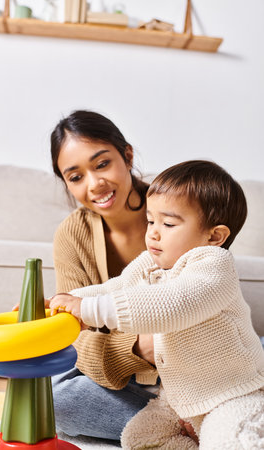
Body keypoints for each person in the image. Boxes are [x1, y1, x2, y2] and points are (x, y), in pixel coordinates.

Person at [50, 160, 264, 449]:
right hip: (178, 396)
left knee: (230, 440)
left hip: (230, 392)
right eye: (151, 221)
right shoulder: (151, 262)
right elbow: (116, 286)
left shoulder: (214, 266)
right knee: (140, 438)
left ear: (214, 236)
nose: (153, 232)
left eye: (168, 224)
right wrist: (64, 303)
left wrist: (90, 311)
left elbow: (169, 304)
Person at [48, 110, 196, 444]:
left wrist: (167, 343)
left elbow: (209, 286)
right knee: (57, 401)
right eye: (76, 177)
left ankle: (194, 423)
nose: (95, 184)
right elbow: (75, 337)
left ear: (127, 155)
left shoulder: (179, 205)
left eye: (102, 164)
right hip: (125, 378)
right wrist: (140, 347)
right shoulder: (72, 234)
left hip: (198, 357)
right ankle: (201, 426)